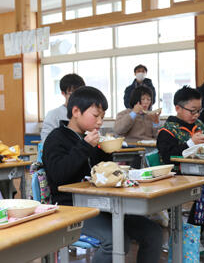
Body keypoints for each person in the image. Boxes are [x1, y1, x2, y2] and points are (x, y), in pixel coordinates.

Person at [43, 86, 162, 263]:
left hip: (103, 204)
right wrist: (85, 146)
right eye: (95, 116)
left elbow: (101, 171)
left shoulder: (89, 137)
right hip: (72, 208)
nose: (99, 122)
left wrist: (107, 149)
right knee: (116, 242)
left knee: (153, 232)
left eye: (102, 117)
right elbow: (59, 175)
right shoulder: (56, 138)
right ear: (76, 111)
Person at [157, 86, 204, 165]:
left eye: (199, 110)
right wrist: (191, 143)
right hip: (178, 174)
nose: (197, 114)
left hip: (202, 170)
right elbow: (167, 158)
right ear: (178, 109)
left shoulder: (199, 125)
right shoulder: (167, 131)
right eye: (193, 111)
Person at [40, 73, 85, 142]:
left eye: (79, 93)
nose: (77, 97)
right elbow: (46, 140)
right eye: (72, 93)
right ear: (63, 93)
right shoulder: (53, 114)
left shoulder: (86, 113)